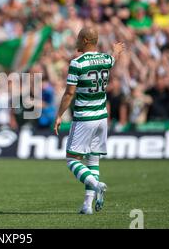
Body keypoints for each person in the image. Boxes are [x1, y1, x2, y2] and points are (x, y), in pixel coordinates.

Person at [54, 27, 125, 214]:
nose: (76, 41)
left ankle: (96, 184)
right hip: (102, 117)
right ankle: (87, 205)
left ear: (85, 40)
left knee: (72, 159)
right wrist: (116, 51)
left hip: (85, 117)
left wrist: (60, 115)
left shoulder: (77, 63)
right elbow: (112, 59)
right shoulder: (105, 59)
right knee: (93, 161)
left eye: (78, 38)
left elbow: (70, 92)